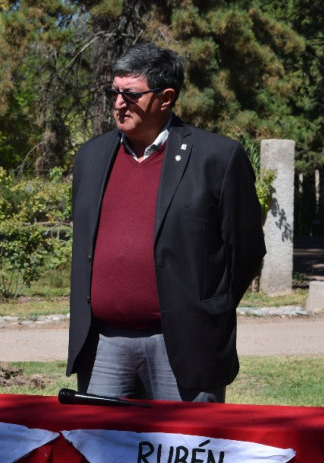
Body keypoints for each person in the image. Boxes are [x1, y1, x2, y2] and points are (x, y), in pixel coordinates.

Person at [67, 43, 266, 403]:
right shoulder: (91, 157)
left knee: (184, 455)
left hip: (185, 345)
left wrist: (206, 306)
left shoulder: (217, 157)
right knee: (100, 455)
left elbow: (247, 250)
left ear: (166, 98)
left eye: (130, 94)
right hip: (103, 346)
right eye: (114, 92)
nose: (117, 103)